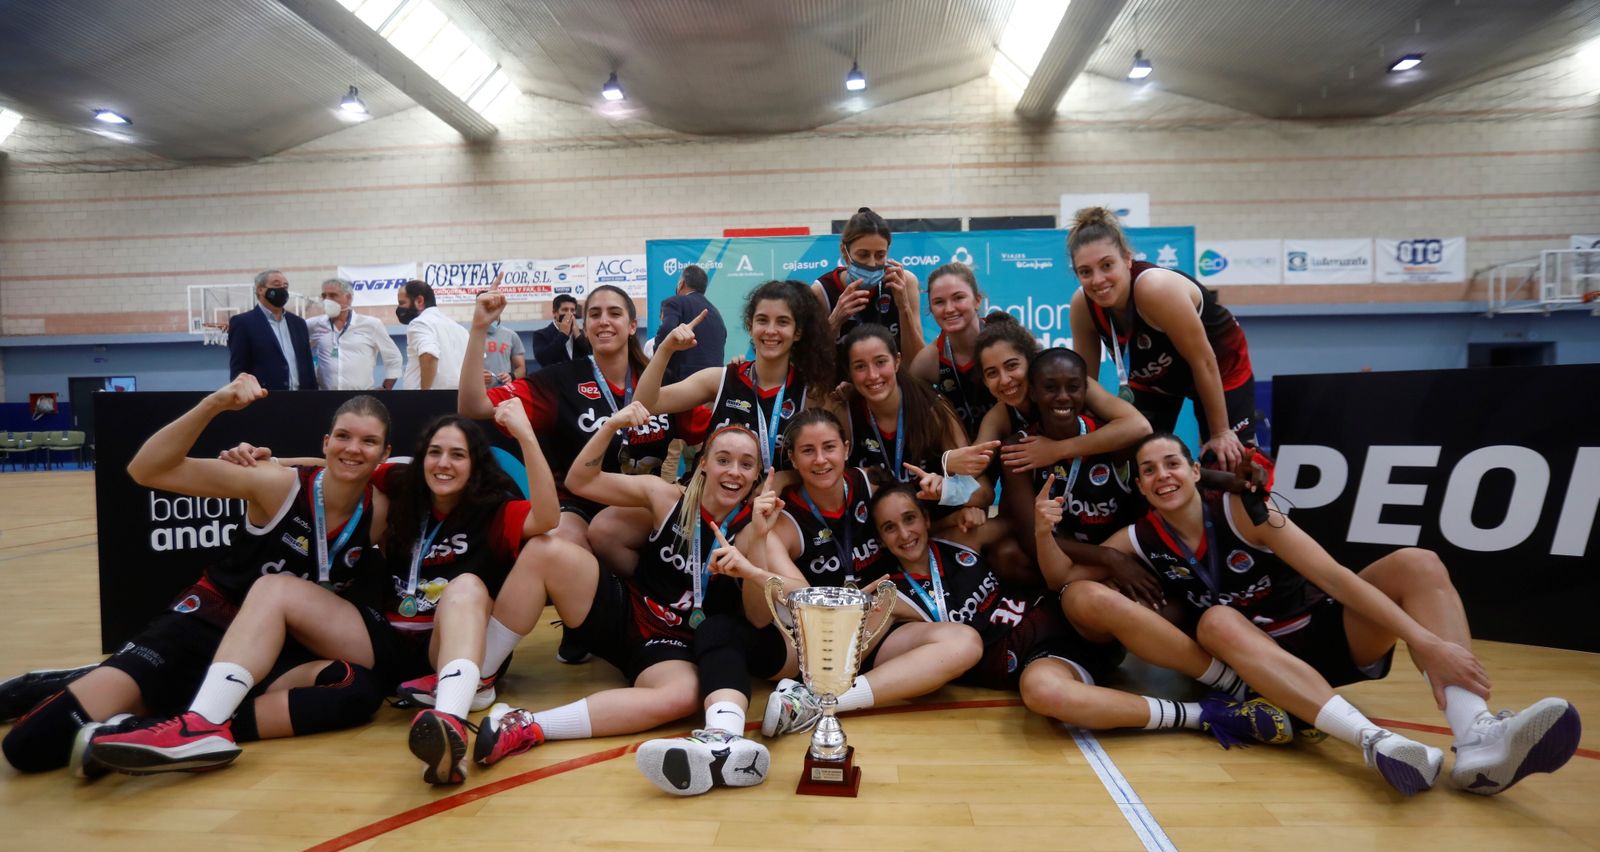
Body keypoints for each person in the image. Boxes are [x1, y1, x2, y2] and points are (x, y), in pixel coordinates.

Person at [1069, 432, 1583, 795]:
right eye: (1149, 470)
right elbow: (1067, 579)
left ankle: (1478, 742)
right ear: (1139, 487)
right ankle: (1373, 740)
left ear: (1196, 472)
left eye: (1172, 463)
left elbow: (1337, 577)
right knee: (1216, 621)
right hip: (1254, 664)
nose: (1162, 475)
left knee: (1418, 564)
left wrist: (1421, 641)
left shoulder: (1249, 512)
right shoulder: (1137, 539)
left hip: (1320, 633)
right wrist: (1107, 557)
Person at [85, 406, 559, 785]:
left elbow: (548, 518)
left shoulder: (492, 512)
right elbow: (338, 466)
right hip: (385, 642)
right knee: (273, 587)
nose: (443, 463)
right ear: (417, 459)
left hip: (446, 652)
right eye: (435, 452)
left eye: (458, 455)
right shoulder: (397, 492)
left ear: (474, 465)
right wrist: (262, 461)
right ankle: (200, 726)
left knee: (468, 586)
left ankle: (449, 723)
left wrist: (525, 436)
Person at [0, 377, 389, 775]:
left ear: (384, 453)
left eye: (368, 442)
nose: (354, 449)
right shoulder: (274, 484)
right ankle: (62, 681)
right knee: (28, 748)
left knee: (354, 689)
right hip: (203, 627)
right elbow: (146, 469)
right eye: (343, 436)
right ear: (326, 442)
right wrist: (215, 404)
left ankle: (146, 728)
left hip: (275, 651)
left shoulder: (382, 510)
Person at [462, 411, 785, 797]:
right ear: (703, 466)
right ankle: (479, 678)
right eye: (723, 459)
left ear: (755, 478)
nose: (733, 471)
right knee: (546, 549)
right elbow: (581, 480)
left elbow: (759, 614)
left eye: (746, 465)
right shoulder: (665, 496)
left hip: (673, 646)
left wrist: (753, 562)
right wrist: (611, 426)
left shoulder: (754, 531)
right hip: (625, 611)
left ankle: (527, 724)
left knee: (683, 696)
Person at [869, 483, 1284, 747]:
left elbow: (1013, 519)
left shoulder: (960, 540)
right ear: (881, 539)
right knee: (1043, 695)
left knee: (1087, 594)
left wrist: (967, 507)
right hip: (1031, 661)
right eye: (890, 528)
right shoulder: (889, 592)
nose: (904, 534)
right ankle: (1204, 717)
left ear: (926, 518)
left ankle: (1234, 683)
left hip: (1062, 618)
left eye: (910, 519)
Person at [751, 411, 983, 737]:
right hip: (824, 641)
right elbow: (798, 602)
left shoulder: (870, 485)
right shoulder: (783, 519)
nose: (820, 460)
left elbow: (936, 511)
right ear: (792, 458)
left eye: (829, 447)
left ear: (846, 448)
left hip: (878, 628)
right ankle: (825, 687)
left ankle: (819, 702)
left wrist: (962, 504)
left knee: (965, 642)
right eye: (807, 451)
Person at [1066, 206, 1256, 469]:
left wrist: (1221, 432)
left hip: (1219, 369)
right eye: (1085, 271)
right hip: (1155, 380)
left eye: (1107, 265)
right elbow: (1085, 382)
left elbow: (1203, 361)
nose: (1097, 280)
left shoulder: (1155, 288)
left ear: (1127, 259)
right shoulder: (1082, 305)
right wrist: (1080, 435)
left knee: (1231, 466)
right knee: (1135, 464)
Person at [637, 279, 832, 472]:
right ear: (750, 325)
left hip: (777, 501)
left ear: (797, 332)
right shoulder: (721, 379)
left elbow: (825, 466)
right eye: (762, 320)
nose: (770, 330)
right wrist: (665, 350)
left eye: (782, 322)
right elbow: (645, 404)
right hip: (716, 499)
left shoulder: (811, 393)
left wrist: (785, 479)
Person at [832, 324, 991, 532]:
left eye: (881, 362)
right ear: (850, 373)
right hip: (876, 540)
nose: (872, 375)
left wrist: (947, 490)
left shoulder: (932, 410)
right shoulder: (844, 413)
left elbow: (985, 492)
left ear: (897, 361)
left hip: (937, 531)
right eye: (860, 367)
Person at [813, 207, 926, 372]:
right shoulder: (822, 291)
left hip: (892, 388)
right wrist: (835, 321)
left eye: (880, 255)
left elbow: (916, 364)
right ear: (845, 252)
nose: (872, 264)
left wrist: (904, 308)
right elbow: (811, 364)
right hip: (840, 391)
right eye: (863, 255)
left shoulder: (903, 282)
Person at [909, 262, 994, 439]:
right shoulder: (927, 362)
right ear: (931, 309)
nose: (949, 309)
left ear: (977, 300)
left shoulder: (1007, 341)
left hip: (1013, 452)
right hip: (959, 456)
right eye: (939, 302)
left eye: (958, 298)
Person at [307, 278, 403, 390]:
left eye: (333, 295)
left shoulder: (371, 324)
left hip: (360, 398)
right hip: (327, 397)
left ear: (348, 297)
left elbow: (394, 357)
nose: (327, 300)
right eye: (324, 296)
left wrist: (386, 388)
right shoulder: (314, 324)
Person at [228, 269, 316, 390]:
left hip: (300, 399)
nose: (282, 289)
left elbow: (308, 366)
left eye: (285, 286)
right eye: (276, 285)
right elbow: (239, 369)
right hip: (264, 400)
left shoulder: (298, 323)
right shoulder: (243, 323)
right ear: (260, 289)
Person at [651, 264, 727, 384]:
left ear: (681, 284)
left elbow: (667, 330)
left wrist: (656, 360)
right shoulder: (716, 314)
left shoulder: (674, 302)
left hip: (682, 385)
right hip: (715, 384)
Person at [398, 279, 469, 390]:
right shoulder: (460, 330)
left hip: (429, 404)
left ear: (419, 301)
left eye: (402, 303)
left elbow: (429, 355)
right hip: (458, 400)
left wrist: (425, 397)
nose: (400, 308)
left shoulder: (419, 323)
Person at [531, 294, 589, 367]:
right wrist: (563, 335)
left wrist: (577, 335)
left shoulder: (580, 334)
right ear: (555, 313)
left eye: (572, 310)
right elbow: (544, 360)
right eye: (565, 310)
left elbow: (590, 355)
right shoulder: (540, 335)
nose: (569, 313)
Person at [482, 319, 527, 388]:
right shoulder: (470, 337)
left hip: (503, 391)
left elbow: (521, 369)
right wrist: (476, 377)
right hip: (480, 392)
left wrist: (511, 376)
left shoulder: (511, 335)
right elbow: (461, 369)